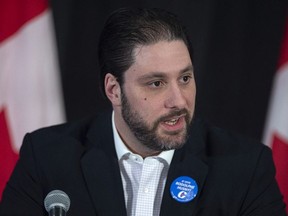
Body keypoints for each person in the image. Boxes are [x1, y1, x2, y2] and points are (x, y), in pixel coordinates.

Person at [0, 7, 286, 216]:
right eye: (156, 83)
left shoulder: (245, 167)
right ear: (114, 90)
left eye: (185, 78)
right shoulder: (47, 157)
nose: (178, 100)